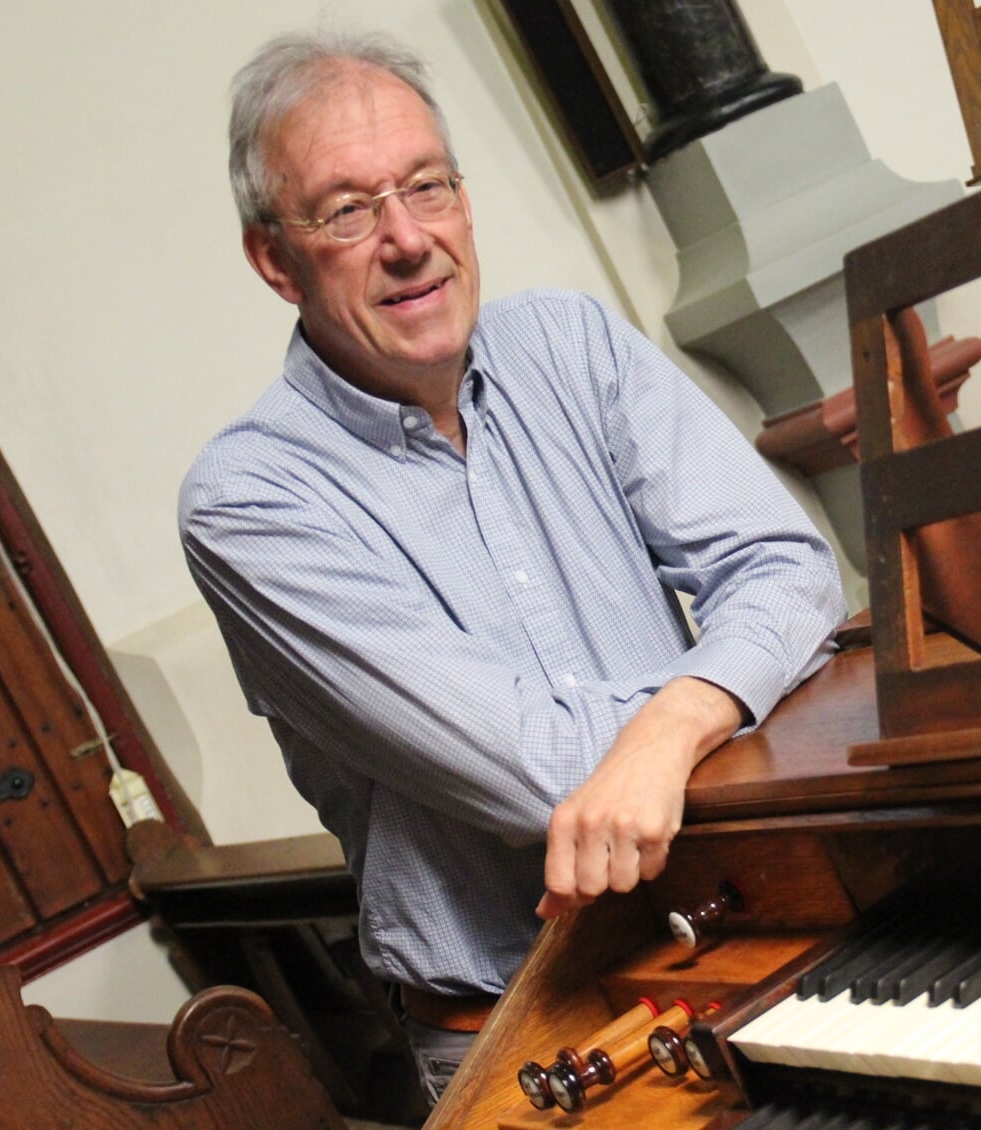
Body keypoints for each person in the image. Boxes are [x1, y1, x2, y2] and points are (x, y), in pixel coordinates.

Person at [179, 29, 845, 1103]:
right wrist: (733, 683)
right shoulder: (251, 502)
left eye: (428, 185)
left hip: (728, 947)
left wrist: (677, 718)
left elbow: (791, 568)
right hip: (519, 1022)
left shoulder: (572, 344)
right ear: (275, 257)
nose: (408, 239)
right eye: (349, 211)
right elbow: (548, 774)